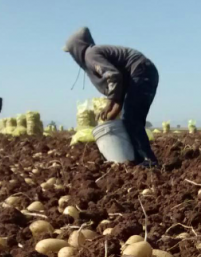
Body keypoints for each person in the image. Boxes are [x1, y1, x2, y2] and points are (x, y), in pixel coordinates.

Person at [64, 27, 159, 167]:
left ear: (76, 48)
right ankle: (138, 159)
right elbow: (120, 86)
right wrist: (113, 111)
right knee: (131, 119)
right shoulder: (95, 54)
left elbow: (113, 76)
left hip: (141, 71)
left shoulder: (91, 55)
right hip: (143, 72)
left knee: (132, 118)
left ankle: (149, 161)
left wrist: (110, 102)